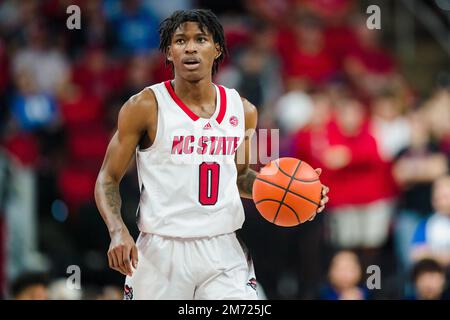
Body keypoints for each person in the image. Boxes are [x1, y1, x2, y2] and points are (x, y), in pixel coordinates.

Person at [94, 9, 329, 300]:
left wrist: (296, 192)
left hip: (223, 249)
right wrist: (117, 230)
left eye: (200, 39)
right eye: (180, 41)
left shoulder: (243, 110)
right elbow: (108, 177)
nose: (190, 47)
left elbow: (240, 177)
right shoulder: (144, 106)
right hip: (161, 249)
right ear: (168, 52)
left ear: (217, 48)